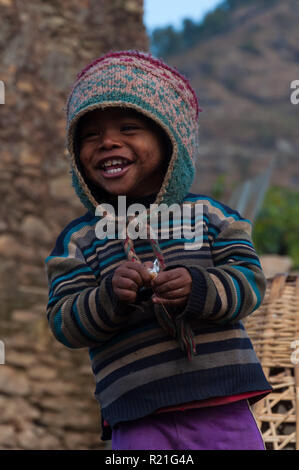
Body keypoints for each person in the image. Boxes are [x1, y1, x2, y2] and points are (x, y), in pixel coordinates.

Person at [45, 50, 271, 450]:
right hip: (136, 417)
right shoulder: (79, 239)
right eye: (90, 135)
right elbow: (65, 321)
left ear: (170, 140)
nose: (107, 142)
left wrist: (199, 288)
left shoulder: (211, 216)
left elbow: (249, 284)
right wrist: (109, 296)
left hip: (223, 406)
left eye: (129, 127)